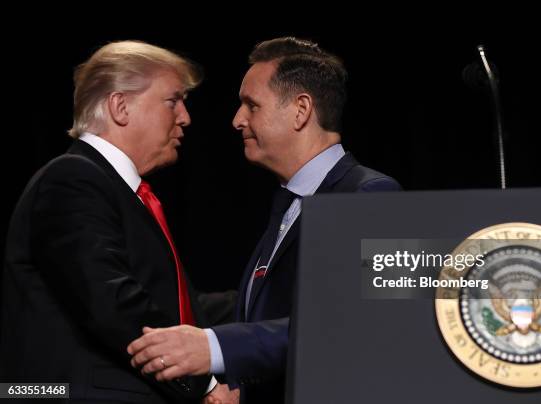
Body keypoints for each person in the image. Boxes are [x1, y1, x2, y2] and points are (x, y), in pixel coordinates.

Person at [128, 37, 402, 403]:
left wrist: (213, 346)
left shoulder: (370, 195)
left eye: (251, 105)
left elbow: (362, 327)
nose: (237, 120)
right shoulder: (289, 204)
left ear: (301, 110)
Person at [0, 40, 226, 403]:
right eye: (173, 101)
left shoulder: (119, 191)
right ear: (120, 106)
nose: (185, 117)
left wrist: (259, 305)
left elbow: (171, 302)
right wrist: (204, 384)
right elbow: (112, 302)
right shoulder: (72, 178)